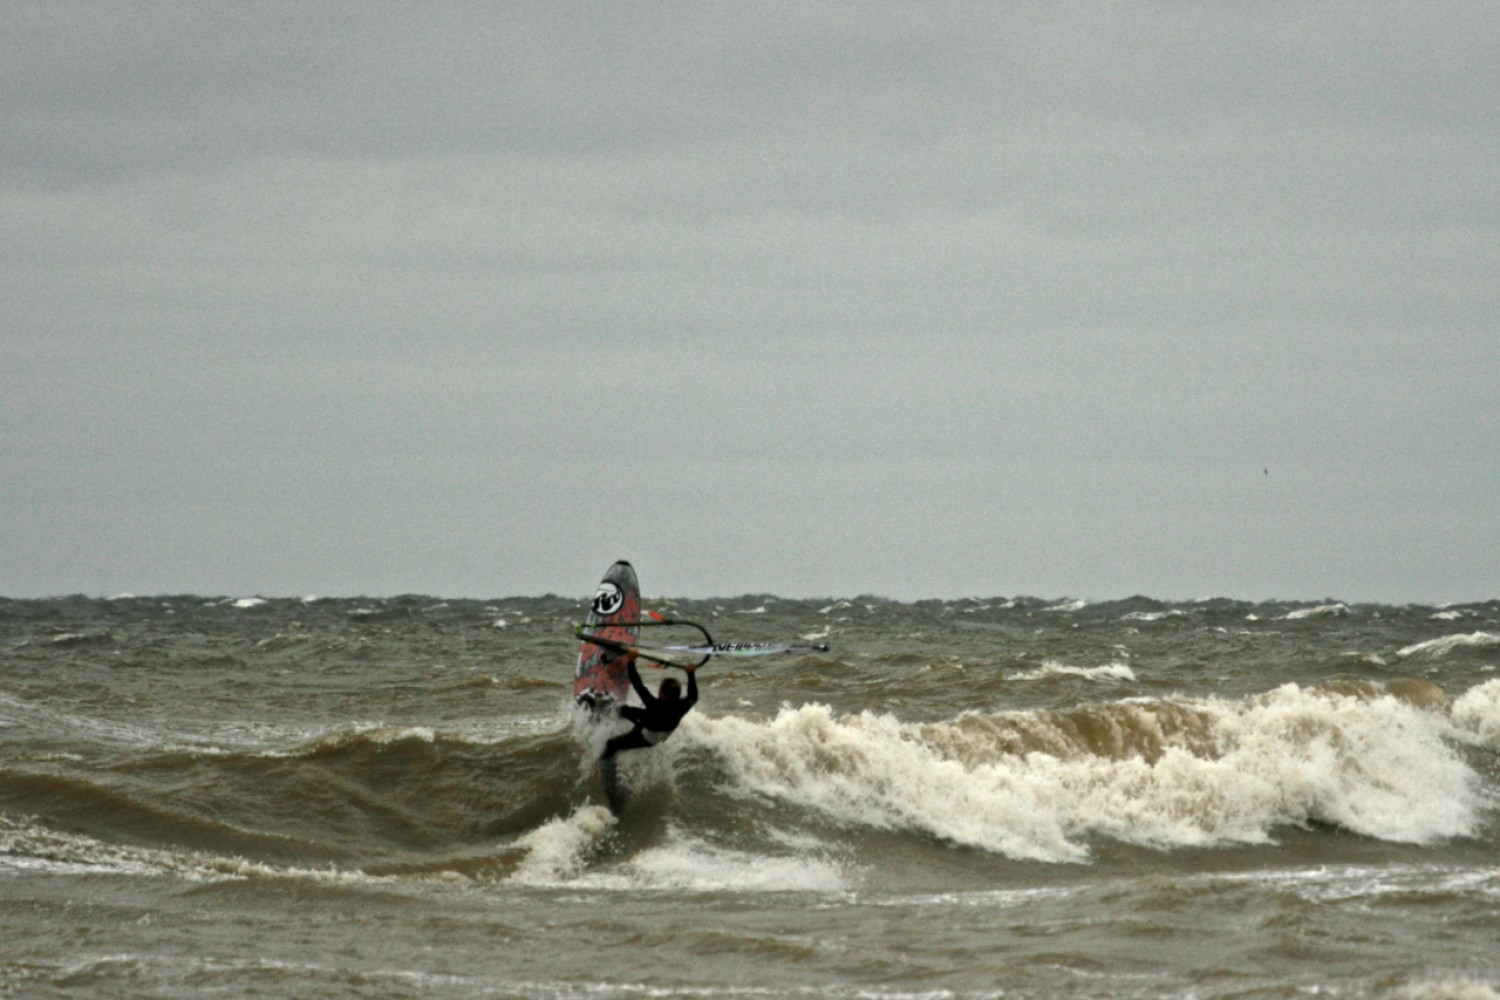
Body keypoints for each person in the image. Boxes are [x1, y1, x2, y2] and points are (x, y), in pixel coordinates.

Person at [601, 653, 699, 760]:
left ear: (663, 694)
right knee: (624, 710)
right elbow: (693, 697)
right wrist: (691, 674)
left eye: (660, 689)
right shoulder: (681, 706)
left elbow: (637, 683)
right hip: (654, 723)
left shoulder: (654, 704)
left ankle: (603, 765)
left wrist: (630, 661)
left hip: (646, 737)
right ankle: (607, 720)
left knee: (611, 744)